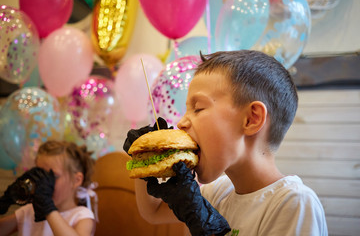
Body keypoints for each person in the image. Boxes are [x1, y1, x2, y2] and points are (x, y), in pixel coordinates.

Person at [123, 50, 328, 235]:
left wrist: (207, 228)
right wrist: (146, 161)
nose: (181, 122)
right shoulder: (218, 192)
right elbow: (153, 211)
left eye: (198, 108)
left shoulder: (293, 203)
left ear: (251, 119)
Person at [0, 140, 97, 236]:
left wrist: (48, 209)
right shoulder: (30, 211)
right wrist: (5, 201)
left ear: (76, 180)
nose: (43, 183)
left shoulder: (81, 215)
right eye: (39, 175)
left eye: (52, 177)